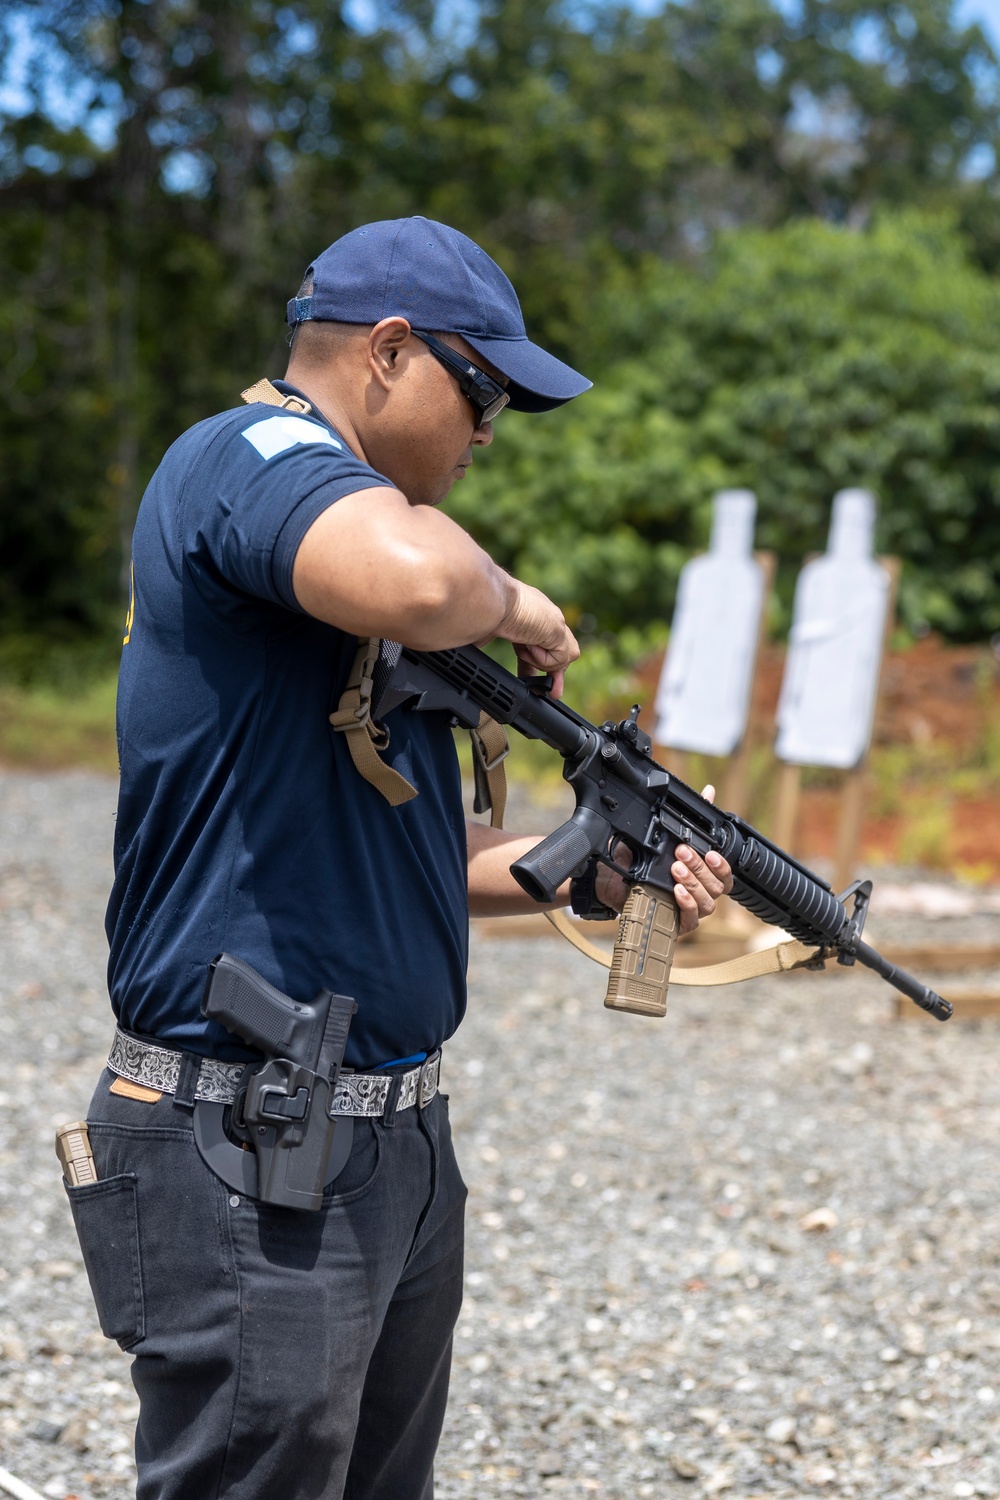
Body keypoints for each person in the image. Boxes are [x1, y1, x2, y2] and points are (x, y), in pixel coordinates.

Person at [66, 217, 733, 1499]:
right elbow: (428, 584)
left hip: (389, 1140)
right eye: (482, 393)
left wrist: (593, 869)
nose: (488, 434)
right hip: (242, 1137)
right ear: (385, 351)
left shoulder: (344, 568)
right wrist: (517, 598)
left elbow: (434, 853)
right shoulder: (247, 457)